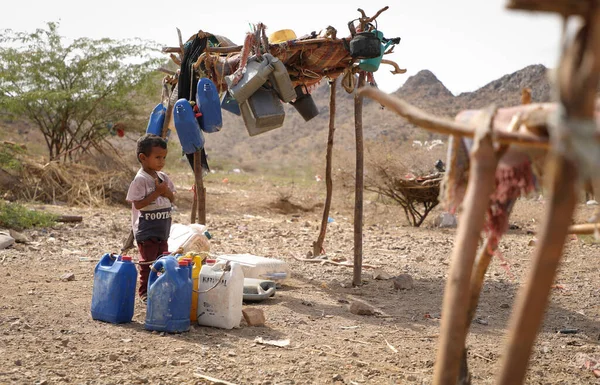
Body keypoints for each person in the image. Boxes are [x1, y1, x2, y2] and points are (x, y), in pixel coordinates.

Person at [126, 134, 176, 303]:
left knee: (162, 261)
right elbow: (138, 204)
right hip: (146, 229)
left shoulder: (164, 177)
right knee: (147, 262)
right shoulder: (140, 180)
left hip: (162, 227)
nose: (161, 161)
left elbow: (172, 197)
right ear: (143, 157)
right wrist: (156, 192)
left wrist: (164, 191)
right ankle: (144, 292)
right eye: (157, 157)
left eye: (164, 157)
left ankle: (157, 289)